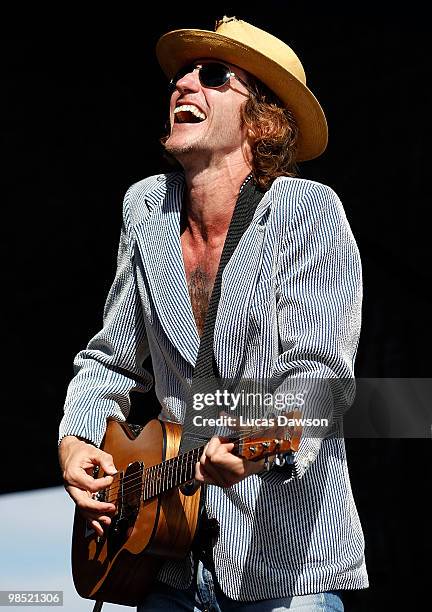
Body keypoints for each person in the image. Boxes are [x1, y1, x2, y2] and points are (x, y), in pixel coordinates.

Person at [58, 16, 368, 611]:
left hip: (285, 566)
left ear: (261, 119)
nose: (184, 85)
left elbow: (321, 377)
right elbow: (111, 359)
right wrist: (75, 442)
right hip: (166, 566)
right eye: (180, 74)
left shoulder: (311, 213)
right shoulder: (146, 208)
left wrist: (249, 441)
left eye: (213, 75)